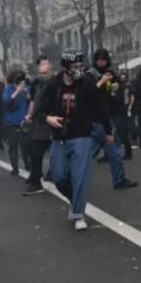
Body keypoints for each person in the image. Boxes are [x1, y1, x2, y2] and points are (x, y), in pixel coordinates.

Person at [35, 52, 114, 230]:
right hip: (59, 138)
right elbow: (39, 111)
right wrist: (48, 119)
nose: (79, 70)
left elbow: (100, 108)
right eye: (75, 67)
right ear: (65, 68)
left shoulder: (87, 84)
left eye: (81, 66)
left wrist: (108, 130)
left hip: (81, 135)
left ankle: (78, 214)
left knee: (80, 176)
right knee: (59, 176)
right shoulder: (52, 85)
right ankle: (75, 199)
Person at [85, 50, 138, 190]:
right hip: (96, 117)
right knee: (91, 152)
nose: (101, 62)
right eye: (99, 59)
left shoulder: (109, 74)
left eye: (104, 59)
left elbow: (115, 89)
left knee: (111, 151)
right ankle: (70, 176)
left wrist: (111, 85)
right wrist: (103, 82)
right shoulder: (90, 75)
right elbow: (89, 93)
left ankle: (119, 179)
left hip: (106, 116)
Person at [22, 56, 55, 196]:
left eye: (46, 63)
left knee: (54, 152)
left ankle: (46, 176)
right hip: (39, 121)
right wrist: (29, 116)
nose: (44, 66)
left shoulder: (55, 82)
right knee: (34, 151)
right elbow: (33, 101)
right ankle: (36, 179)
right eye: (41, 64)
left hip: (52, 120)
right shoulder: (37, 83)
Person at [1, 71, 31, 176]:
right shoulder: (8, 89)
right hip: (10, 122)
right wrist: (17, 91)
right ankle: (15, 167)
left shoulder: (26, 88)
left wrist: (26, 92)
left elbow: (31, 101)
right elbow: (5, 101)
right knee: (13, 146)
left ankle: (28, 163)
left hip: (23, 121)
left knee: (25, 145)